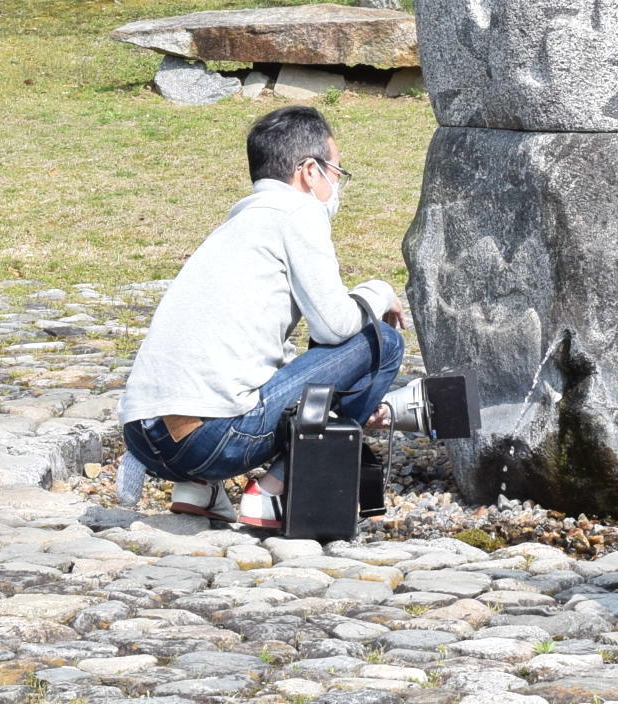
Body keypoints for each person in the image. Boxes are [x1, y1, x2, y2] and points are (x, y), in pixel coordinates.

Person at [118, 105, 404, 530]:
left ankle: (199, 489)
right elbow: (337, 326)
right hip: (211, 440)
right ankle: (275, 488)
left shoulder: (237, 226)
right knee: (383, 340)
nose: (337, 185)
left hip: (144, 438)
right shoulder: (297, 213)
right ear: (310, 171)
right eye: (337, 172)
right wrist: (378, 291)